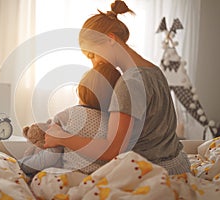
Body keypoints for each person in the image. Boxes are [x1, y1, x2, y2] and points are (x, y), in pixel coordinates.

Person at [44, 0, 190, 175]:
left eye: (92, 55)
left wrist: (62, 137)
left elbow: (112, 150)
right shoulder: (154, 70)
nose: (93, 63)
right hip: (178, 163)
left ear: (110, 39)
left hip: (152, 171)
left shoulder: (130, 83)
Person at [18, 62, 121, 177]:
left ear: (82, 90)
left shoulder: (66, 116)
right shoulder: (114, 122)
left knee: (43, 179)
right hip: (101, 179)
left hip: (72, 176)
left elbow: (50, 158)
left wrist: (20, 165)